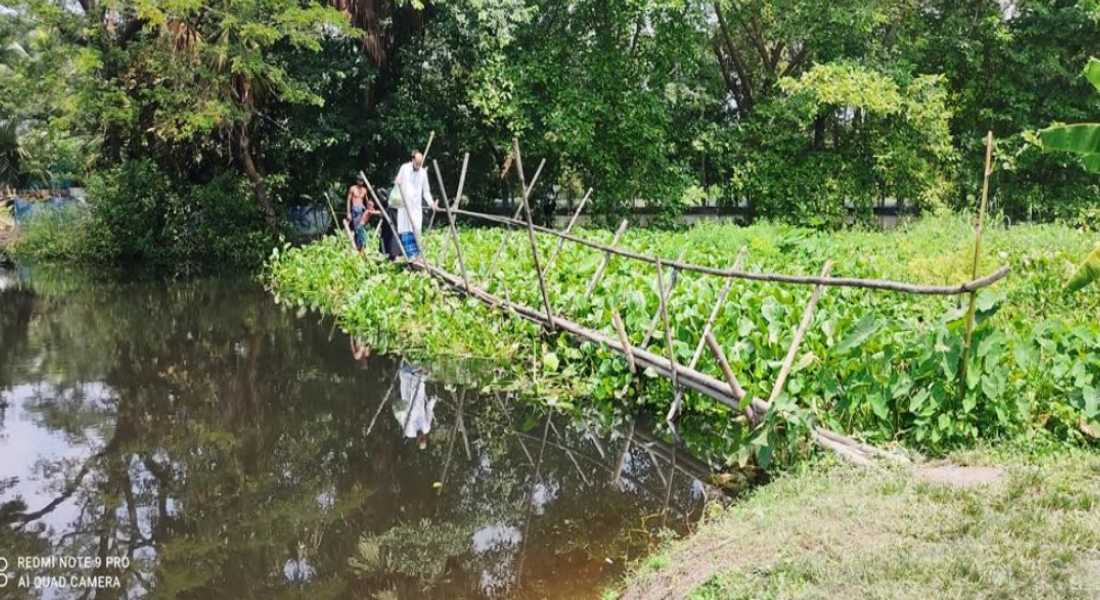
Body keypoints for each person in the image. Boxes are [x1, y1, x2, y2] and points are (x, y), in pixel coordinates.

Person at [393, 150, 436, 261]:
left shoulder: (423, 173)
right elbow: (397, 182)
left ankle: (418, 257)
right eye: (417, 163)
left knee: (416, 230)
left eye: (420, 163)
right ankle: (408, 256)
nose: (418, 165)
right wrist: (397, 182)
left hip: (416, 208)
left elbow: (426, 192)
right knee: (405, 230)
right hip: (404, 207)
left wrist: (431, 204)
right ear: (412, 160)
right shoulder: (404, 168)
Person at [393, 361, 437, 450]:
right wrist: (433, 400)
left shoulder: (409, 431)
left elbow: (400, 415)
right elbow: (429, 409)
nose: (421, 437)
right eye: (423, 438)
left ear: (417, 440)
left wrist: (400, 408)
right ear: (425, 437)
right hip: (419, 388)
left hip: (407, 391)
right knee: (423, 372)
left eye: (420, 439)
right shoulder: (426, 427)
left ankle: (410, 364)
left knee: (403, 373)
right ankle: (419, 366)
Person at [345, 174, 376, 254]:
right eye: (359, 180)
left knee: (361, 228)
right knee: (357, 229)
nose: (361, 182)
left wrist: (370, 208)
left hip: (362, 210)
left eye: (362, 181)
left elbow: (367, 201)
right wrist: (348, 213)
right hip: (355, 210)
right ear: (357, 181)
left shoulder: (364, 190)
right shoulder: (352, 188)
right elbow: (348, 200)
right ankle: (358, 248)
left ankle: (361, 247)